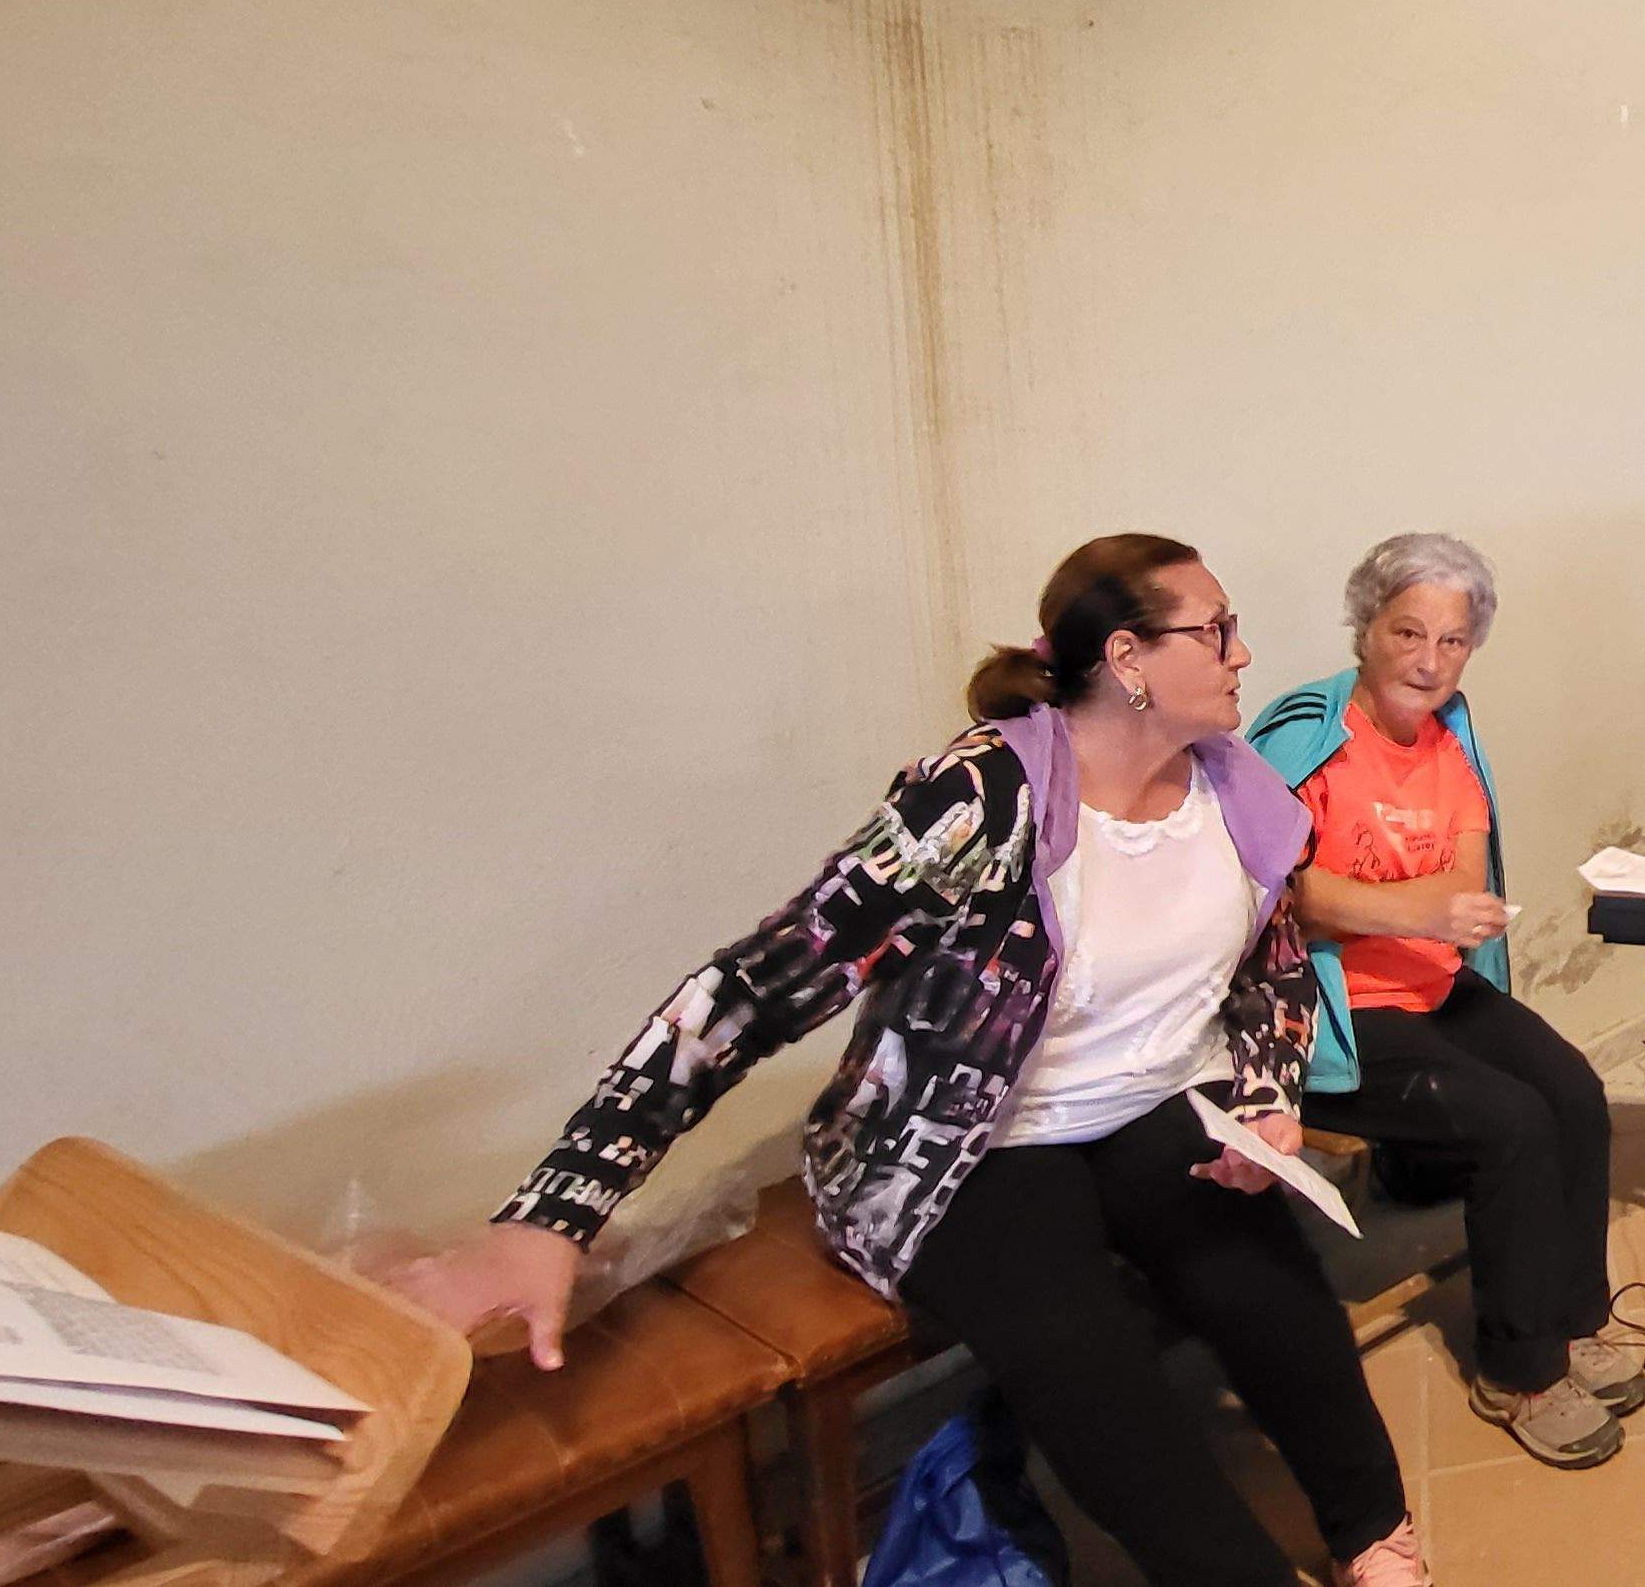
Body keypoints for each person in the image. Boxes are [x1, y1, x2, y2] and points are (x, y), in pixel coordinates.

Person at [397, 536, 1429, 1587]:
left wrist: (1264, 1100)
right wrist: (554, 1211)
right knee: (1089, 1367)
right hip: (962, 1141)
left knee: (1270, 1290)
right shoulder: (978, 799)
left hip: (1158, 1099)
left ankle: (1373, 1530)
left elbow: (1272, 970)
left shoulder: (1233, 789)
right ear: (1127, 658)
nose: (1241, 653)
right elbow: (753, 989)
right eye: (1214, 630)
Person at [1248, 533, 1635, 1470]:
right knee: (1511, 1122)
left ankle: (1573, 1317)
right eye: (1408, 632)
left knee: (1574, 1093)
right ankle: (1519, 1371)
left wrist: (1401, 906)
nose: (1429, 660)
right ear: (1365, 627)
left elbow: (1463, 879)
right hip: (1333, 1012)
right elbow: (1282, 893)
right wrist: (1411, 907)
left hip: (1431, 985)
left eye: (1452, 641)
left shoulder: (1450, 737)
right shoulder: (1306, 735)